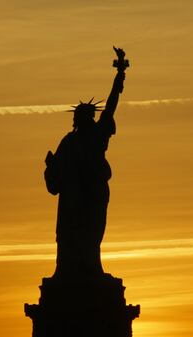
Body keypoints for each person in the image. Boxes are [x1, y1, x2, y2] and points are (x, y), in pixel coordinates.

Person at [44, 47, 128, 279]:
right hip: (73, 198)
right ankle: (71, 271)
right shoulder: (69, 141)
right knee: (71, 234)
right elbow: (56, 181)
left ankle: (91, 268)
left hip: (92, 194)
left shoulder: (97, 135)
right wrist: (51, 166)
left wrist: (119, 76)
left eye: (80, 116)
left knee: (91, 234)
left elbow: (111, 105)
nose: (77, 120)